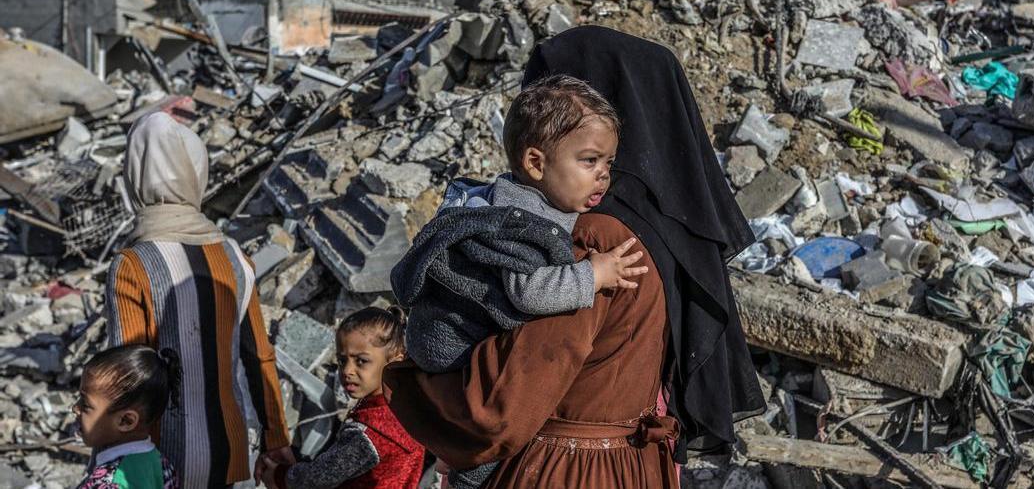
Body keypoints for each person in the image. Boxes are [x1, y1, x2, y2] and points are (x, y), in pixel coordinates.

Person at [386, 26, 765, 488]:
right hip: (634, 466)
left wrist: (429, 406)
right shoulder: (666, 241)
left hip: (565, 469)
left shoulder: (594, 239)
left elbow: (503, 405)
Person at [391, 75, 648, 487]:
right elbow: (528, 292)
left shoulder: (532, 199)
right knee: (485, 448)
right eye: (589, 161)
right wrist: (593, 274)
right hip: (452, 342)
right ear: (535, 163)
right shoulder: (522, 225)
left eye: (608, 164)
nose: (603, 175)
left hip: (446, 342)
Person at [105, 112, 292, 488]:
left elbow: (128, 377)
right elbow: (260, 356)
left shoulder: (132, 265)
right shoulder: (235, 257)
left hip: (158, 459)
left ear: (134, 176)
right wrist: (276, 441)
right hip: (229, 449)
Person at [261, 308, 425, 489]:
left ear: (394, 362)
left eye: (361, 361)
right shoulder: (410, 411)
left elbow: (317, 479)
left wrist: (279, 476)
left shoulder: (368, 433)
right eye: (342, 361)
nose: (347, 371)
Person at [74, 344, 181, 489]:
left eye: (85, 404)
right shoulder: (162, 465)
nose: (75, 408)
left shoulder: (107, 483)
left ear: (126, 421)